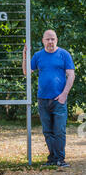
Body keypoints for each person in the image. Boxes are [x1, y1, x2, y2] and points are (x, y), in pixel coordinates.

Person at [22, 30, 75, 167]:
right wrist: (24, 55)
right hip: (43, 99)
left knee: (59, 130)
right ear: (43, 40)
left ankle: (60, 159)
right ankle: (52, 158)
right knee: (47, 131)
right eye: (48, 39)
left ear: (56, 39)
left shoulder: (64, 54)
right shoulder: (38, 55)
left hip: (59, 99)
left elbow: (71, 75)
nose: (50, 42)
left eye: (53, 39)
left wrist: (64, 95)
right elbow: (27, 72)